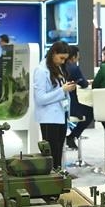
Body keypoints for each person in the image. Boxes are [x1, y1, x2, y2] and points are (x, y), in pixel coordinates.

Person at [33, 41, 76, 170]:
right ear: (53, 53)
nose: (63, 62)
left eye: (65, 59)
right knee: (51, 155)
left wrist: (67, 89)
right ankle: (52, 178)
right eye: (61, 58)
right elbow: (40, 99)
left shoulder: (58, 68)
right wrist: (62, 90)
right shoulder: (41, 71)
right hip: (49, 118)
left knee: (58, 154)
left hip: (61, 116)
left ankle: (58, 176)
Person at [64, 45, 92, 150]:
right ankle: (72, 136)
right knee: (90, 112)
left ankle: (71, 137)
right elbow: (84, 84)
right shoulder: (73, 68)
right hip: (71, 106)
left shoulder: (60, 67)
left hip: (62, 105)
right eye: (77, 58)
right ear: (73, 57)